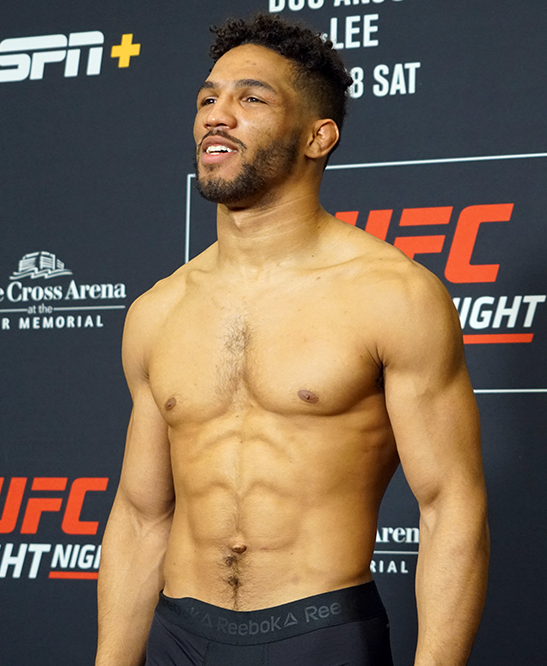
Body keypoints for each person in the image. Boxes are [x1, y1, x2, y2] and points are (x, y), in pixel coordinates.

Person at [95, 13, 488, 666]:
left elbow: (451, 506)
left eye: (251, 99)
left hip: (320, 635)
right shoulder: (157, 311)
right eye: (208, 99)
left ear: (317, 136)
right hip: (178, 637)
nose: (218, 116)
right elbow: (141, 517)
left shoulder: (393, 295)